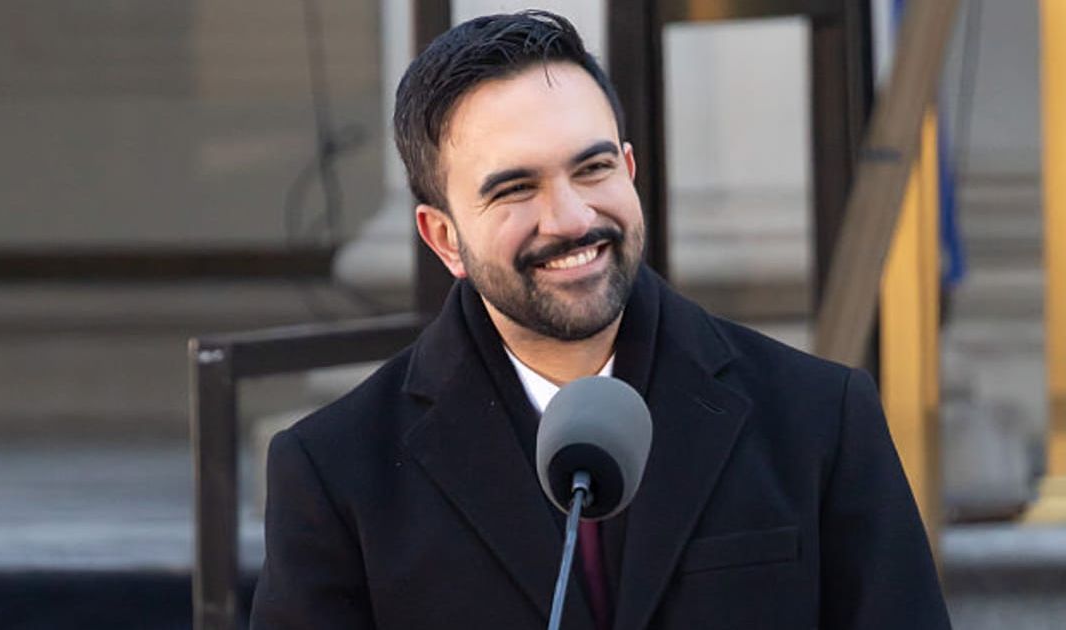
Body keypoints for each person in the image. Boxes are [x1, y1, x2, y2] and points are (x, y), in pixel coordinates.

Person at [250, 10, 951, 630]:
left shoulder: (820, 420)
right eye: (515, 189)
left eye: (591, 170)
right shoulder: (336, 472)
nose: (573, 219)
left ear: (630, 169)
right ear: (442, 238)